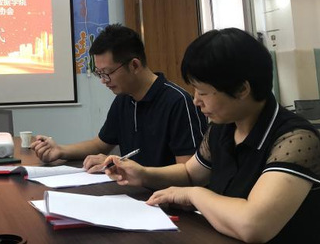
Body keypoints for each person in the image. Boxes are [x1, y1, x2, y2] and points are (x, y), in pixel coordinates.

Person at [104, 28, 320, 243]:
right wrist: (143, 174)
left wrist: (193, 194)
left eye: (203, 92)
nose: (196, 100)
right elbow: (190, 173)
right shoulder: (224, 126)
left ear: (241, 89)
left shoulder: (295, 139)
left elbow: (253, 225)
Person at [31, 24, 206, 171]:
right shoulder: (124, 98)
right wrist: (60, 150)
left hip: (165, 198)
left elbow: (187, 171)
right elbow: (100, 144)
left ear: (134, 65)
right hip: (131, 192)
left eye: (107, 73)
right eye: (99, 73)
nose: (103, 80)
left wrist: (123, 166)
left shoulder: (178, 102)